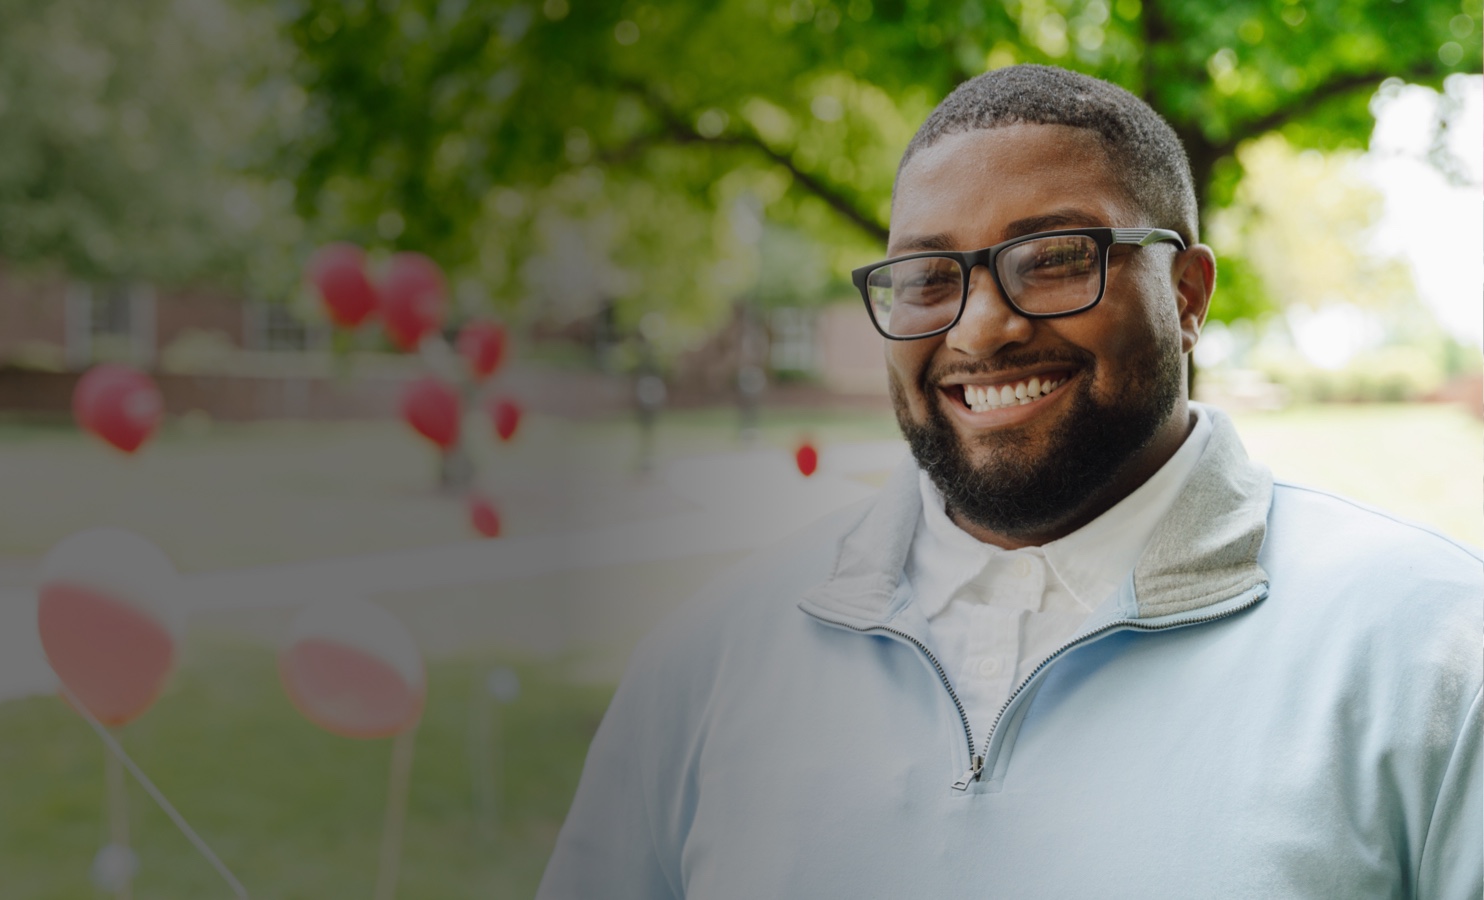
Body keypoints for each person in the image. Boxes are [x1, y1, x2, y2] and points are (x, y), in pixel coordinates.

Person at [538, 65, 1481, 899]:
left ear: (1187, 296)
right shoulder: (709, 660)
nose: (981, 329)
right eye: (926, 277)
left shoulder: (1431, 654)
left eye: (1059, 258)